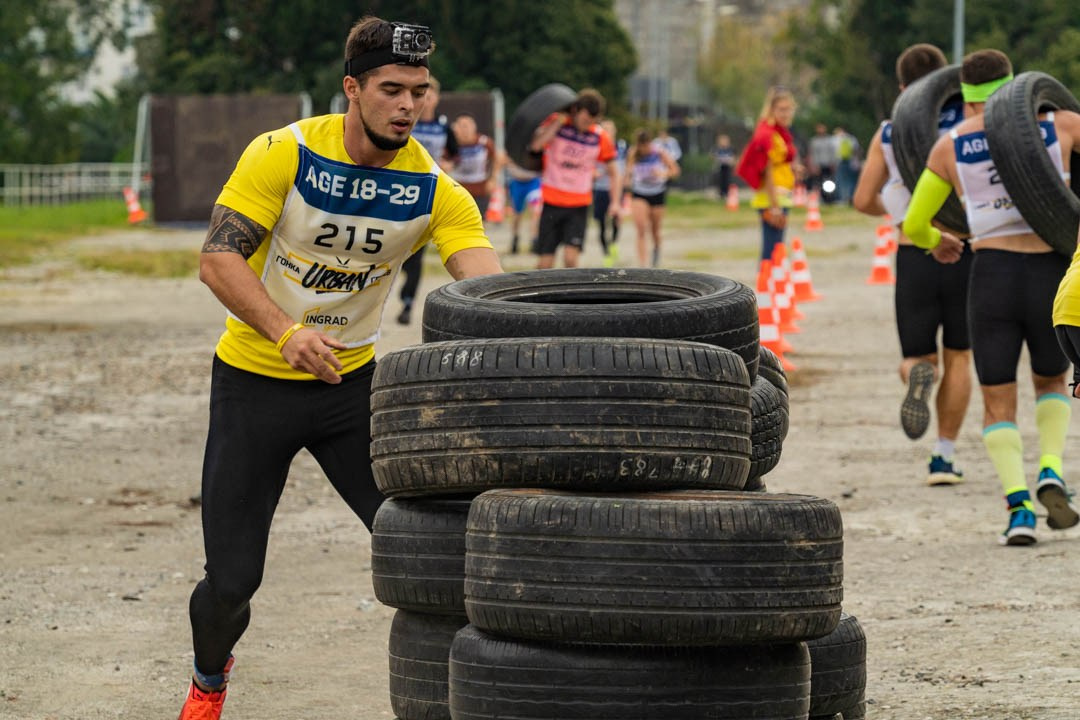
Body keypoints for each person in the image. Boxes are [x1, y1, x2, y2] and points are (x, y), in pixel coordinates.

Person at [176, 16, 503, 720]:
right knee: (232, 581)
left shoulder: (437, 190)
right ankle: (208, 681)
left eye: (420, 91)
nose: (408, 106)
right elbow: (217, 260)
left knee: (424, 556)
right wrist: (284, 330)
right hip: (253, 384)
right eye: (391, 89)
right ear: (352, 89)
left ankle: (461, 697)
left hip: (351, 392)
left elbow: (485, 288)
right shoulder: (284, 153)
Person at [903, 48, 1080, 546]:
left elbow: (916, 225)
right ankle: (1050, 468)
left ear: (965, 93)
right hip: (1052, 268)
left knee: (997, 399)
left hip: (992, 274)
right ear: (1017, 82)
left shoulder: (948, 145)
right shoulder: (1062, 124)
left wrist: (941, 244)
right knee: (1051, 380)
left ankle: (1019, 508)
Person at [852, 42, 972, 486]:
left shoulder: (889, 131)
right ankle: (943, 456)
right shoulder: (971, 125)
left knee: (918, 355)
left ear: (903, 87)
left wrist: (904, 213)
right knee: (960, 356)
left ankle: (916, 375)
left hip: (914, 248)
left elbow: (863, 199)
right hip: (966, 246)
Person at [529, 88, 621, 269]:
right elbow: (536, 146)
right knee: (545, 263)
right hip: (551, 201)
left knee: (571, 260)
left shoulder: (599, 137)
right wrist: (558, 123)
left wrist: (615, 202)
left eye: (593, 121)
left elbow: (614, 172)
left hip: (578, 205)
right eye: (586, 120)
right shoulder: (557, 123)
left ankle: (570, 297)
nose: (588, 125)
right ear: (576, 111)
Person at [395, 74, 458, 325]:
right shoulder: (406, 123)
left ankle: (407, 303)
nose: (425, 99)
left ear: (436, 99)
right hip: (398, 191)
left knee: (416, 256)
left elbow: (455, 154)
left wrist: (448, 165)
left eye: (428, 95)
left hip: (425, 196)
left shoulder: (444, 127)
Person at [735, 86, 799, 263]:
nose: (786, 113)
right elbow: (766, 171)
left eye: (789, 109)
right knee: (771, 252)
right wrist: (775, 206)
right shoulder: (767, 134)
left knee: (775, 249)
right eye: (781, 109)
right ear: (771, 110)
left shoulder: (779, 133)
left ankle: (771, 287)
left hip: (780, 195)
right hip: (772, 198)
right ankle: (766, 288)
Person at [624, 127, 680, 267]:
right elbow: (628, 173)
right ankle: (642, 264)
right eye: (641, 146)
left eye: (646, 145)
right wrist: (628, 179)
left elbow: (675, 171)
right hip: (640, 193)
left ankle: (656, 250)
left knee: (655, 229)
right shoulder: (633, 153)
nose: (644, 149)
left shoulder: (659, 152)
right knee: (641, 228)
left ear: (650, 142)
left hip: (657, 193)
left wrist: (662, 174)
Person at [592, 118, 627, 266]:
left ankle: (613, 244)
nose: (607, 132)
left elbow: (625, 168)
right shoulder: (594, 146)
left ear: (614, 131)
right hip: (600, 188)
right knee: (600, 223)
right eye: (604, 129)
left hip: (616, 189)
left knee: (616, 220)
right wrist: (595, 173)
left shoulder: (621, 147)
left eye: (609, 129)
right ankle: (606, 252)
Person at [450, 112, 497, 217]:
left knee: (478, 223)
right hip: (457, 192)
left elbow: (498, 158)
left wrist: (493, 179)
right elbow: (441, 160)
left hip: (479, 190)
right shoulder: (450, 144)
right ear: (455, 128)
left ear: (474, 128)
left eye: (467, 126)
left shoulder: (484, 142)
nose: (464, 130)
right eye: (461, 126)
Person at [503, 153, 541, 254]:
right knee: (517, 214)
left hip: (533, 183)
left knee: (535, 211)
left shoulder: (536, 142)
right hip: (517, 183)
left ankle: (534, 240)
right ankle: (515, 238)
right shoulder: (514, 144)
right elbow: (503, 158)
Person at [807, 123, 837, 201]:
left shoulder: (829, 140)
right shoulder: (814, 141)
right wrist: (813, 166)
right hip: (818, 165)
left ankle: (829, 198)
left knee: (829, 182)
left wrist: (833, 163)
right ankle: (820, 199)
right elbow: (813, 154)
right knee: (818, 183)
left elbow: (833, 152)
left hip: (828, 165)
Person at [833, 126, 860, 203]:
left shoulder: (836, 139)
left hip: (841, 162)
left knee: (841, 181)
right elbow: (856, 150)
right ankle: (850, 197)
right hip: (849, 162)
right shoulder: (851, 138)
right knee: (850, 181)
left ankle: (844, 198)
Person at [711, 132, 735, 198]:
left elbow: (733, 158)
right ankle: (721, 193)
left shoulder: (730, 149)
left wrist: (731, 161)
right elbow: (713, 156)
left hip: (727, 167)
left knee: (727, 180)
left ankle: (727, 193)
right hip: (719, 167)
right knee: (720, 180)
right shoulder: (717, 149)